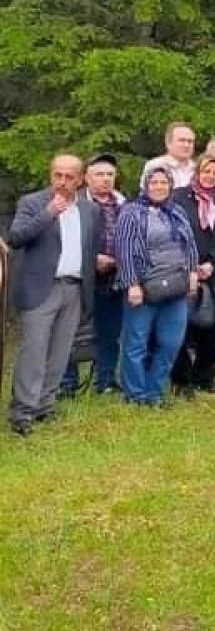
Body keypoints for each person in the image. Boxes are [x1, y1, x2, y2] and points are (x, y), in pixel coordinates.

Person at [7, 156, 99, 436]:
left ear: (81, 179)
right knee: (34, 351)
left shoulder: (89, 209)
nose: (62, 181)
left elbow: (89, 248)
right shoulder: (32, 202)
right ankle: (22, 411)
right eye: (57, 174)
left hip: (74, 288)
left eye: (69, 176)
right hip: (41, 288)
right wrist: (48, 214)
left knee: (60, 352)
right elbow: (15, 237)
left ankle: (45, 405)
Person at [114, 166, 199, 407]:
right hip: (144, 287)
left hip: (176, 286)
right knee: (136, 342)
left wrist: (193, 272)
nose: (159, 187)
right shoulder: (131, 212)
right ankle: (135, 394)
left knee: (171, 342)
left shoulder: (177, 211)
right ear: (145, 185)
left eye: (164, 183)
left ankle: (155, 391)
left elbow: (190, 244)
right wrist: (132, 284)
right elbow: (125, 251)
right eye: (154, 183)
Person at [60, 153, 125, 396]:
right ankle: (67, 384)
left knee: (110, 332)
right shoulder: (73, 204)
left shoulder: (122, 204)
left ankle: (106, 380)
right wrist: (92, 259)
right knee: (72, 332)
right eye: (99, 174)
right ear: (86, 178)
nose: (105, 179)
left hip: (113, 279)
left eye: (110, 174)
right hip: (80, 278)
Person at [170, 157, 215, 396]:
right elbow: (173, 232)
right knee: (182, 326)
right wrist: (191, 265)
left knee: (211, 325)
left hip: (213, 269)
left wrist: (211, 262)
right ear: (197, 172)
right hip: (184, 268)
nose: (209, 176)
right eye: (205, 171)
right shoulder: (179, 196)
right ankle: (181, 379)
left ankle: (205, 376)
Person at [140, 122, 196, 190]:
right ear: (168, 143)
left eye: (190, 141)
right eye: (182, 140)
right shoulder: (155, 165)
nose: (186, 145)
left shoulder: (198, 169)